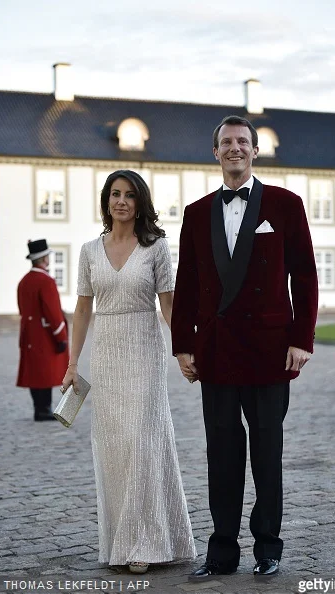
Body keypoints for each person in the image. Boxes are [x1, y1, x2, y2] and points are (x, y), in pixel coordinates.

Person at [171, 115, 318, 580]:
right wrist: (182, 346)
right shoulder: (196, 213)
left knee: (267, 454)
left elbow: (307, 276)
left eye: (242, 142)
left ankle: (268, 547)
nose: (235, 149)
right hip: (215, 351)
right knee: (222, 454)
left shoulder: (286, 205)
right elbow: (188, 283)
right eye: (226, 143)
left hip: (271, 350)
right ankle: (221, 552)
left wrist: (302, 339)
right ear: (215, 152)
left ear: (255, 151)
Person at [62, 170, 196, 573]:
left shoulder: (156, 248)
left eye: (130, 195)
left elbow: (169, 306)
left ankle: (143, 542)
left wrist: (184, 350)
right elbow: (82, 310)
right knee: (115, 448)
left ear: (141, 203)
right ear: (107, 201)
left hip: (144, 350)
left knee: (142, 441)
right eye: (115, 194)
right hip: (106, 355)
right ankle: (120, 538)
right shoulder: (89, 250)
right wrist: (72, 364)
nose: (121, 201)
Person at [17, 239, 68, 421]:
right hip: (45, 335)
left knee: (35, 372)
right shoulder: (46, 281)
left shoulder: (24, 281)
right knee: (45, 373)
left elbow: (23, 310)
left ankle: (38, 408)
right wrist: (61, 336)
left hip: (29, 334)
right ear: (44, 259)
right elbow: (53, 313)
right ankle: (44, 410)